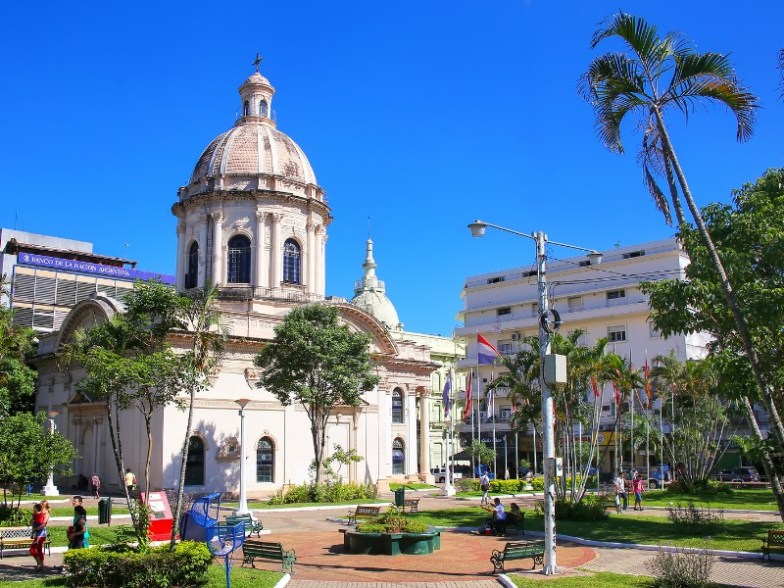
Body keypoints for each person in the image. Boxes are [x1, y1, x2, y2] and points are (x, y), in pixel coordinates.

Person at [29, 503, 48, 570]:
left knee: (33, 550)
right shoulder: (35, 515)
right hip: (37, 535)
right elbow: (30, 523)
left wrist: (35, 529)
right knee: (36, 550)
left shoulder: (42, 515)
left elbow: (42, 525)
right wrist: (33, 518)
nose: (33, 509)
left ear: (37, 508)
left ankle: (40, 564)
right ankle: (40, 565)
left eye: (34, 508)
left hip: (41, 535)